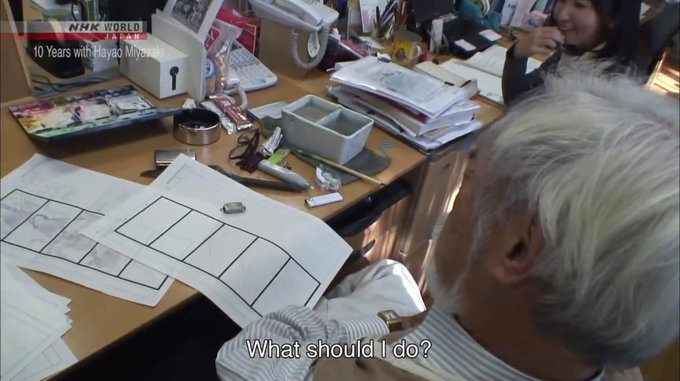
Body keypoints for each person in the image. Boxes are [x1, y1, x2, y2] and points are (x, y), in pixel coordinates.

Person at [215, 71, 679, 381]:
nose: (453, 203)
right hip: (430, 328)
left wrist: (333, 333)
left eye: (470, 183)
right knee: (389, 270)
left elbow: (246, 357)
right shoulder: (614, 366)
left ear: (517, 250)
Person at [502, 0, 643, 104]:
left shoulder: (609, 87)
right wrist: (517, 54)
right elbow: (517, 100)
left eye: (580, 5)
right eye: (562, 0)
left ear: (612, 16)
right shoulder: (575, 51)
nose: (562, 15)